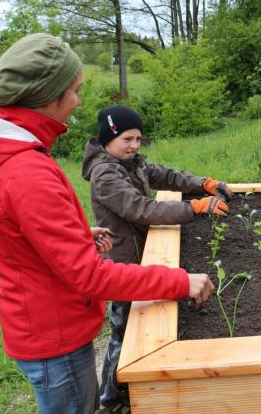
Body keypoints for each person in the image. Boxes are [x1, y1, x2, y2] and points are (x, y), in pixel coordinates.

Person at [0, 33, 215, 414]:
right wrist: (179, 280)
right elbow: (90, 276)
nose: (78, 101)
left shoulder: (17, 157)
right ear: (49, 95)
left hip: (44, 325)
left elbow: (22, 237)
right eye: (74, 90)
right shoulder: (27, 173)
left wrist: (78, 236)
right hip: (54, 339)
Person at [81, 105, 232, 412]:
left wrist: (202, 183)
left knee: (129, 331)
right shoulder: (105, 175)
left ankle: (120, 391)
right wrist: (195, 208)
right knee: (123, 333)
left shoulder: (129, 163)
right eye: (127, 138)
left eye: (138, 138)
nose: (135, 145)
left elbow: (165, 175)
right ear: (108, 138)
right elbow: (142, 209)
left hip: (137, 258)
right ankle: (111, 400)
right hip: (122, 264)